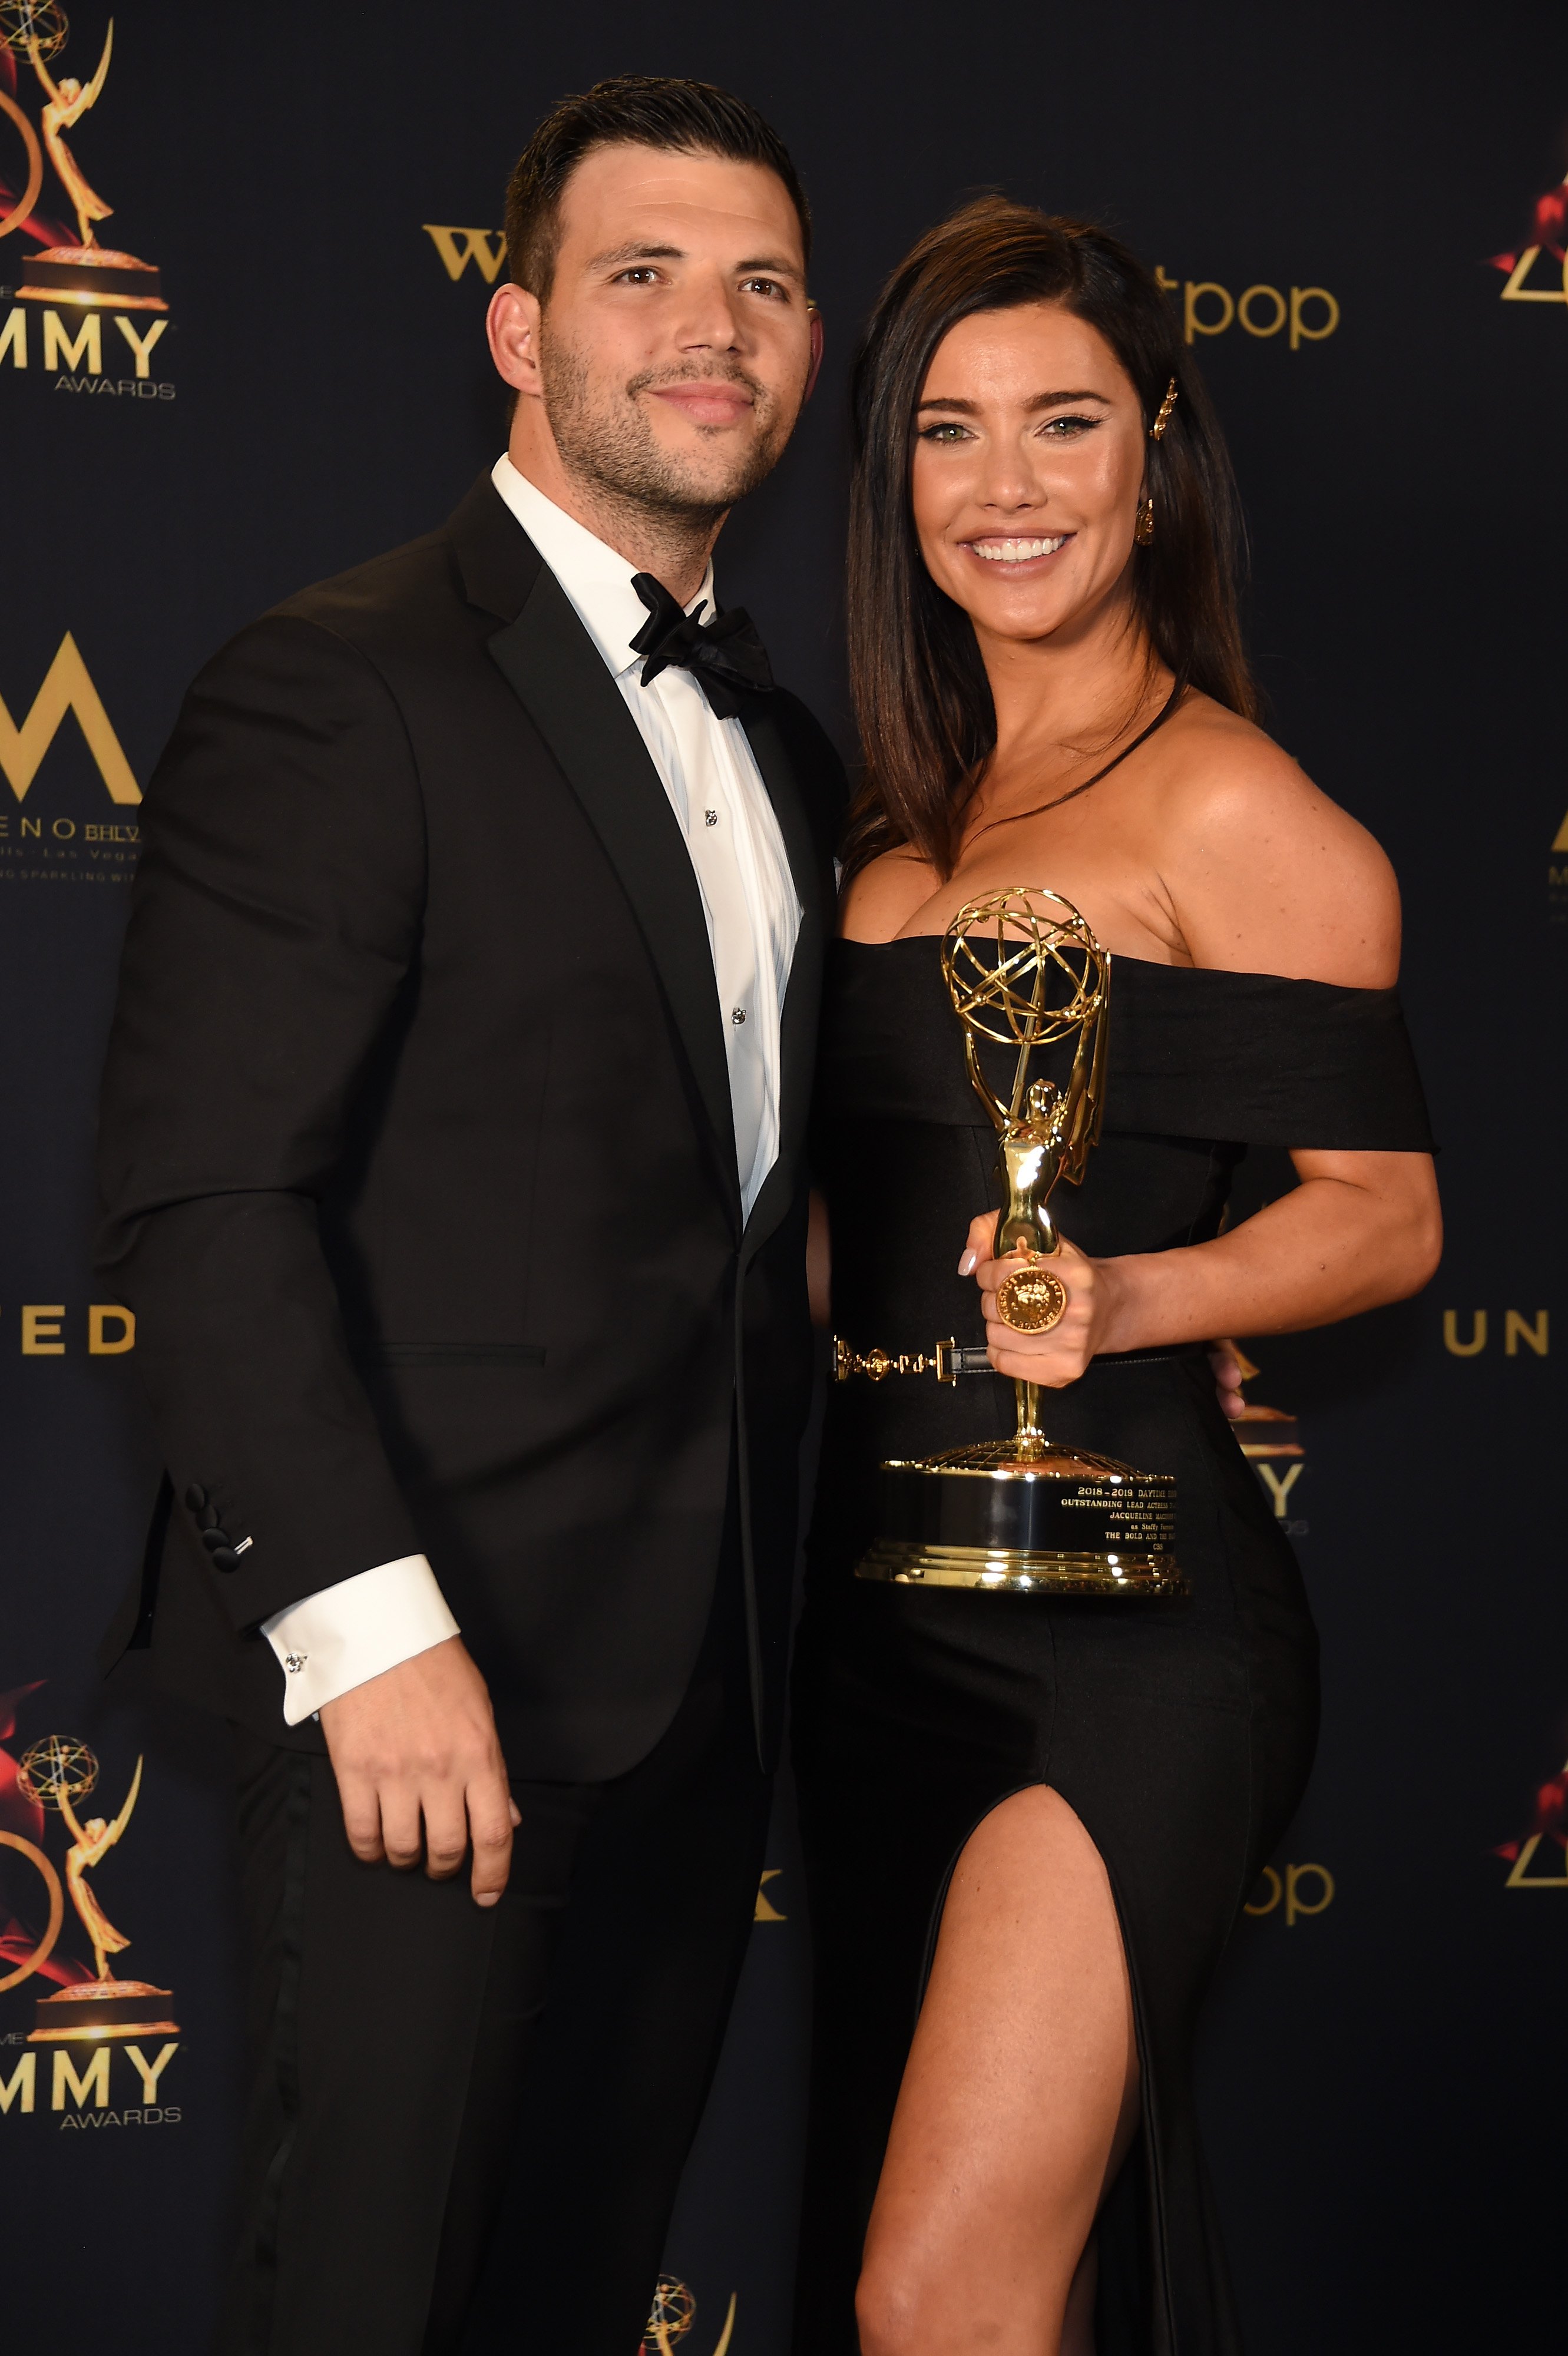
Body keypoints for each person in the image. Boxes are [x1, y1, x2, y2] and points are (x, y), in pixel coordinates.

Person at [92, 76, 842, 2356]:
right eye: (645, 276)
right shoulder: (349, 678)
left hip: (708, 1680)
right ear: (517, 332)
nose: (712, 329)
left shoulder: (794, 743)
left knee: (565, 2296)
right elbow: (211, 1197)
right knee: (374, 2307)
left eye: (767, 285)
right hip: (431, 1692)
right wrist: (366, 1632)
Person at [792, 198, 1441, 2356]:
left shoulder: (1239, 813)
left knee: (943, 2296)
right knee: (1000, 2284)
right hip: (875, 1612)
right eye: (952, 433)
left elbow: (1386, 1213)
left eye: (1063, 424)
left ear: (1153, 454)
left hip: (1129, 1627)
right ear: (893, 475)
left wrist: (1134, 1300)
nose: (1006, 489)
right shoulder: (894, 817)